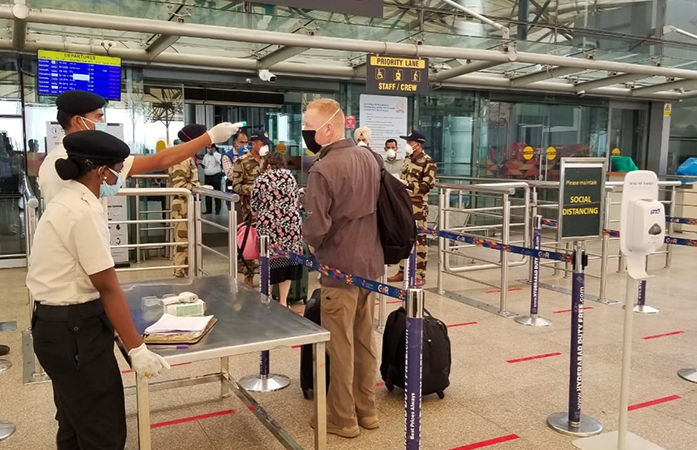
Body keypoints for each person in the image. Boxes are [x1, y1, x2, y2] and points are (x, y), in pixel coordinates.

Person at [26, 130, 170, 449]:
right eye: (118, 170)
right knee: (103, 432)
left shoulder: (66, 199)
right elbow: (107, 287)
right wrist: (136, 348)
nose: (119, 178)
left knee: (74, 423)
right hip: (74, 331)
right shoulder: (83, 212)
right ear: (102, 171)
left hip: (54, 326)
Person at [302, 98, 383, 438]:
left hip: (339, 268)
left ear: (328, 129)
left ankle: (342, 418)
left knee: (340, 345)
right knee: (364, 340)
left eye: (308, 127)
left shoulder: (322, 169)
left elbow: (316, 227)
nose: (305, 133)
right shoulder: (370, 158)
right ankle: (367, 410)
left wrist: (312, 243)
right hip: (370, 265)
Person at [38, 90, 238, 204]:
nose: (103, 122)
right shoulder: (64, 162)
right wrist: (208, 137)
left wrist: (208, 137)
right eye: (98, 117)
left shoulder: (80, 155)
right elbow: (159, 160)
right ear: (77, 121)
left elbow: (159, 160)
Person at [250, 152, 303, 306]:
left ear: (267, 164)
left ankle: (266, 300)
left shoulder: (261, 180)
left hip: (269, 227)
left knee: (268, 263)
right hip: (291, 227)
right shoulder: (290, 178)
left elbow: (254, 209)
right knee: (286, 262)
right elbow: (296, 202)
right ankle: (284, 301)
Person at [387, 130, 437, 287]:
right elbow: (403, 177)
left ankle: (419, 274)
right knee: (404, 237)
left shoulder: (428, 162)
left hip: (418, 206)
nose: (407, 144)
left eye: (410, 142)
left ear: (418, 144)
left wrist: (408, 185)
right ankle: (403, 270)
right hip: (404, 203)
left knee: (419, 240)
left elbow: (427, 185)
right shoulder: (408, 159)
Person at [232, 129, 270, 287]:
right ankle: (249, 274)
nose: (265, 146)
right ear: (253, 143)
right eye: (262, 143)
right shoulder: (241, 162)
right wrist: (254, 189)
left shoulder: (268, 161)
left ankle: (266, 276)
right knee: (250, 240)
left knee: (266, 241)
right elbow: (236, 186)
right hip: (249, 209)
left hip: (268, 209)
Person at [169, 124, 204, 277]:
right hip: (182, 207)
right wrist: (198, 188)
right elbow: (179, 185)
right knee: (183, 243)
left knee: (189, 242)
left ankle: (187, 273)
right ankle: (180, 275)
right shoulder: (181, 157)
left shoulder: (188, 156)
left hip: (188, 206)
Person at [200, 144, 223, 214]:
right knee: (207, 193)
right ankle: (208, 210)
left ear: (214, 148)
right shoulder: (206, 156)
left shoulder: (218, 155)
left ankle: (217, 210)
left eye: (210, 148)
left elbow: (220, 161)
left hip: (216, 176)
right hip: (207, 177)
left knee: (217, 193)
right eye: (208, 148)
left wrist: (214, 153)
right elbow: (204, 164)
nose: (209, 149)